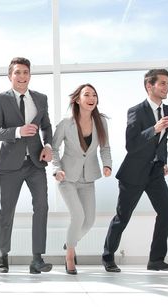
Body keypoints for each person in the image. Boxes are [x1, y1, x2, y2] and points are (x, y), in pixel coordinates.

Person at [102, 69, 168, 272]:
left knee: (167, 212)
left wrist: (163, 161)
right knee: (123, 216)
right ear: (149, 86)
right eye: (162, 83)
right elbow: (131, 145)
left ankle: (156, 260)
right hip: (133, 172)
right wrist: (154, 128)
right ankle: (108, 257)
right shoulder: (136, 111)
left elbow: (164, 142)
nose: (166, 87)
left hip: (155, 171)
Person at [0, 57, 53, 274]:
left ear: (30, 75)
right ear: (10, 76)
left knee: (42, 207)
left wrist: (49, 146)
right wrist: (17, 131)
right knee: (7, 210)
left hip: (36, 163)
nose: (22, 76)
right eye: (17, 72)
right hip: (10, 165)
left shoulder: (41, 99)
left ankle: (37, 259)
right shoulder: (0, 99)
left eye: (25, 72)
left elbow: (46, 126)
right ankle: (3, 254)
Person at [52, 84, 112, 275]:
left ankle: (69, 243)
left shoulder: (101, 122)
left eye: (94, 94)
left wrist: (107, 164)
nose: (91, 98)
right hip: (67, 177)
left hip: (88, 178)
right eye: (87, 94)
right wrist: (56, 169)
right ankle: (70, 255)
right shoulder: (65, 123)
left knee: (89, 220)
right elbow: (53, 148)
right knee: (78, 216)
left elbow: (105, 147)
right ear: (77, 99)